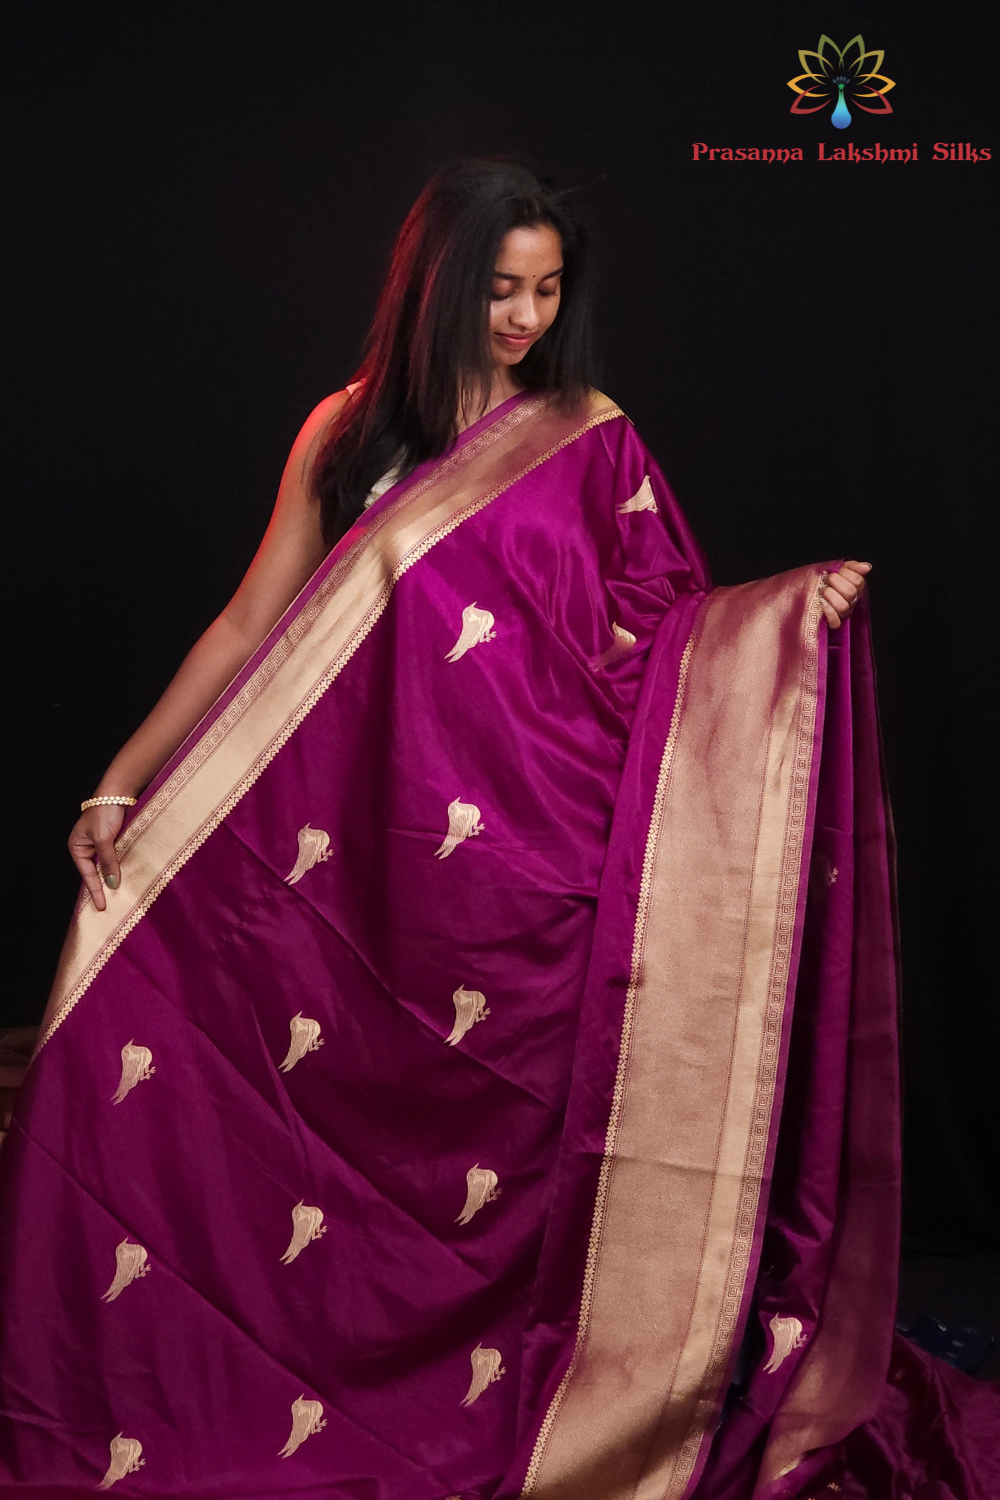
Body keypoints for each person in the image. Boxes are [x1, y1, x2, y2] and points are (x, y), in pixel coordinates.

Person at [0, 159, 995, 1500]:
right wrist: (118, 783)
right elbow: (248, 624)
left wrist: (783, 621)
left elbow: (668, 636)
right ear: (438, 284)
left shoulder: (592, 439)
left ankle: (516, 1409)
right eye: (501, 289)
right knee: (205, 1085)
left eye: (549, 289)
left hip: (529, 884)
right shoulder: (349, 431)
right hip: (352, 881)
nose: (527, 318)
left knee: (488, 1190)